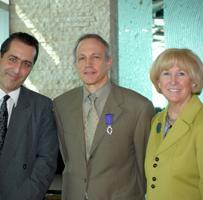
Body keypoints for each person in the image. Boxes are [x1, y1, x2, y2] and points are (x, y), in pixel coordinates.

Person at [53, 33, 155, 200]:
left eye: (96, 57)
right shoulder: (61, 105)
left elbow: (145, 165)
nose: (88, 64)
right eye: (82, 58)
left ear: (109, 62)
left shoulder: (138, 107)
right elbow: (68, 157)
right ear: (75, 64)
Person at [0, 32, 58, 200]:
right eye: (12, 59)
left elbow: (46, 162)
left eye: (26, 64)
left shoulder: (43, 107)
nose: (17, 70)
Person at [145, 48, 203, 200]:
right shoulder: (157, 120)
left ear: (194, 81)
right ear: (158, 81)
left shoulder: (201, 123)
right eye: (166, 74)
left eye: (181, 74)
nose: (173, 81)